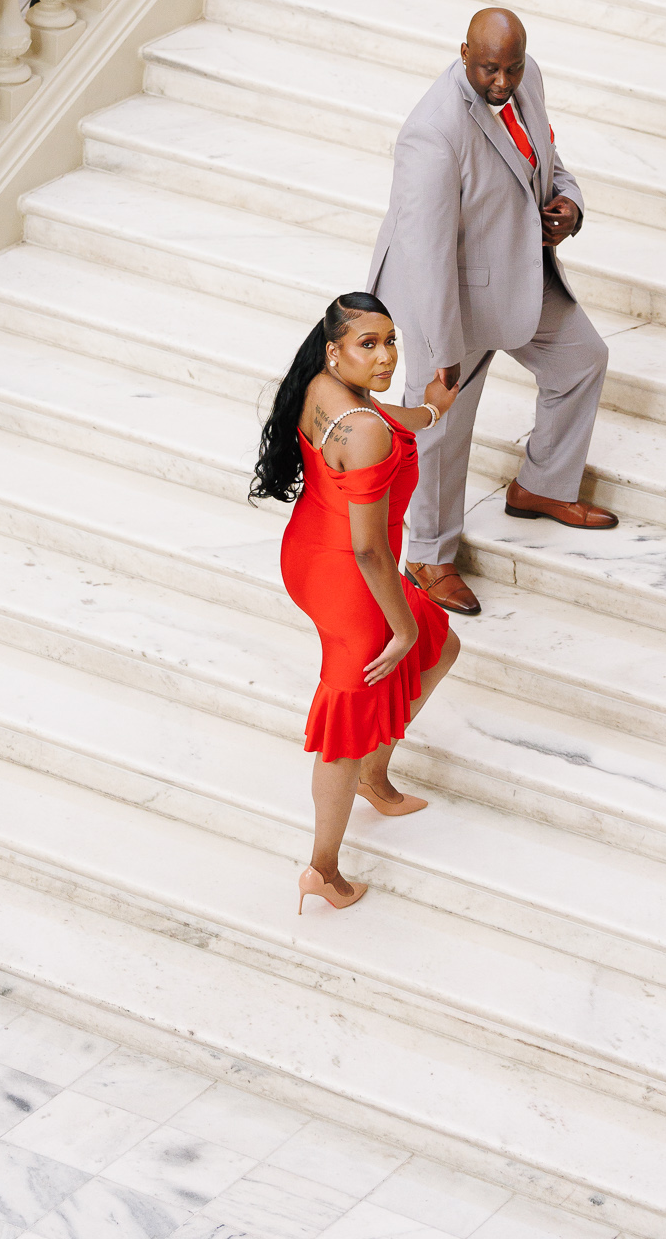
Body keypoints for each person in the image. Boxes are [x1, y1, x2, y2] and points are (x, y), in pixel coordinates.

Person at [369, 7, 617, 620]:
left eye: (510, 67)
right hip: (448, 292)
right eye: (489, 70)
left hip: (515, 271)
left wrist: (570, 207)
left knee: (582, 360)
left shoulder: (526, 74)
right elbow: (425, 253)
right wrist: (441, 349)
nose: (503, 82)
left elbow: (547, 162)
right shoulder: (433, 131)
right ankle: (427, 554)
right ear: (462, 53)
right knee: (442, 427)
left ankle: (541, 486)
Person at [252, 293, 461, 913]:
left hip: (311, 550)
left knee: (441, 643)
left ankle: (375, 775)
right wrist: (398, 629)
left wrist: (429, 409)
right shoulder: (365, 432)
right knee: (348, 717)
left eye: (390, 340)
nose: (386, 356)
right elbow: (371, 551)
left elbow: (387, 418)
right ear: (335, 349)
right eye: (368, 344)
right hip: (349, 574)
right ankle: (323, 868)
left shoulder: (324, 387)